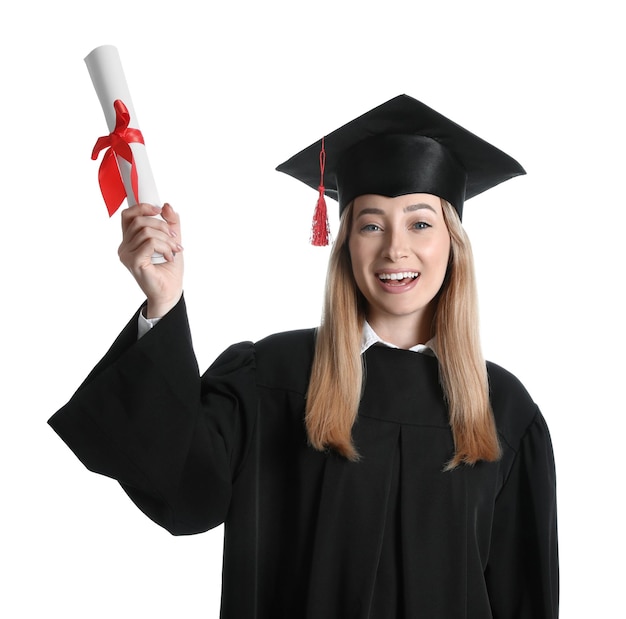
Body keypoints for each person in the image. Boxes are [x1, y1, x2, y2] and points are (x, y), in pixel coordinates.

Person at [49, 94, 558, 618]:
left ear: (453, 242)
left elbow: (524, 597)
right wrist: (164, 301)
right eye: (371, 224)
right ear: (344, 243)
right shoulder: (273, 378)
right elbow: (184, 494)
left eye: (420, 223)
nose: (395, 250)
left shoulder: (503, 413)